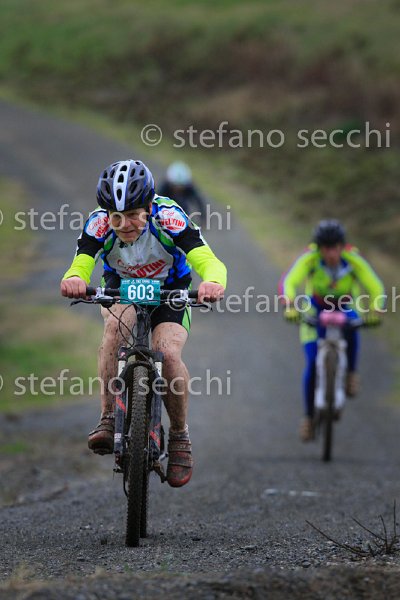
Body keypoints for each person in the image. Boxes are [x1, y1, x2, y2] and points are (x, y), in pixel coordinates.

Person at [61, 159, 226, 487]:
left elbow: (208, 260)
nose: (124, 224)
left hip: (170, 291)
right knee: (113, 332)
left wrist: (212, 282)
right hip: (121, 288)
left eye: (134, 215)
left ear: (149, 207)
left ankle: (179, 437)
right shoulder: (98, 223)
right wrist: (75, 279)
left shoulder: (170, 217)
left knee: (168, 353)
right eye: (116, 216)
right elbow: (81, 262)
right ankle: (108, 417)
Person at [279, 219, 385, 442]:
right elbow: (289, 281)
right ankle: (308, 418)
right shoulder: (310, 259)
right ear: (319, 247)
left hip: (345, 306)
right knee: (312, 364)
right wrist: (289, 304)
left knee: (354, 326)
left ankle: (352, 373)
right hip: (316, 309)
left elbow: (376, 287)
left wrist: (377, 309)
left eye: (335, 247)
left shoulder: (353, 260)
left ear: (342, 246)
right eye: (325, 248)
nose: (331, 253)